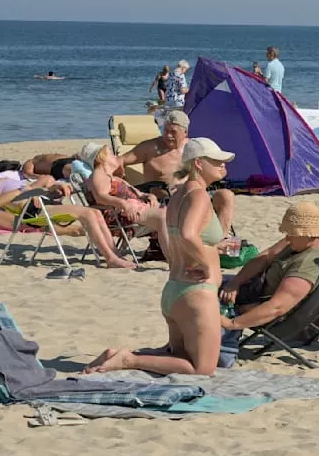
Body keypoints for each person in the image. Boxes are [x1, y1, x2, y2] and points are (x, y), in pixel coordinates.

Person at [84, 139, 238, 375]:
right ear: (198, 163)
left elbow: (178, 238)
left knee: (179, 357)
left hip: (175, 289)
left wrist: (209, 250)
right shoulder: (199, 196)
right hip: (197, 293)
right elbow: (188, 234)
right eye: (216, 161)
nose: (223, 165)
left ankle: (118, 356)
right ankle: (128, 360)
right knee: (203, 369)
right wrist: (206, 265)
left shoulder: (178, 195)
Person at [0, 147, 136, 268]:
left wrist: (50, 187)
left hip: (41, 202)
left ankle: (114, 254)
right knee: (88, 213)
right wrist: (26, 189)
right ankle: (111, 258)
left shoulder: (5, 177)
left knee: (95, 212)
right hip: (32, 212)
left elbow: (32, 187)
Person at [216, 201, 319, 335]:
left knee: (200, 293)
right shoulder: (308, 241)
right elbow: (266, 256)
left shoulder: (305, 266)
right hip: (253, 287)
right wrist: (235, 282)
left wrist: (232, 323)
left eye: (292, 234)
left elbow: (277, 307)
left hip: (257, 305)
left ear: (308, 234)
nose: (287, 238)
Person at [118, 110, 237, 233]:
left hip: (197, 195)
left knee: (226, 196)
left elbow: (221, 172)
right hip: (165, 202)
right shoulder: (149, 148)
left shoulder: (194, 148)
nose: (168, 136)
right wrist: (122, 182)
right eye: (166, 130)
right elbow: (117, 162)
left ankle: (222, 240)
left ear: (185, 132)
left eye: (173, 132)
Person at [81, 142, 170, 242]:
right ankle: (172, 254)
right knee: (167, 217)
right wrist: (124, 205)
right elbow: (100, 196)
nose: (114, 155)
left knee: (173, 214)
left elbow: (139, 194)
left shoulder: (113, 177)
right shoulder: (99, 174)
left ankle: (168, 250)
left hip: (137, 210)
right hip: (123, 216)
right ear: (102, 157)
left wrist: (150, 196)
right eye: (110, 152)